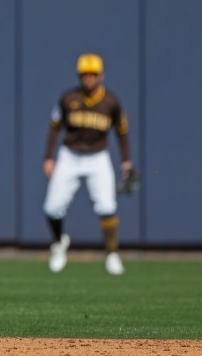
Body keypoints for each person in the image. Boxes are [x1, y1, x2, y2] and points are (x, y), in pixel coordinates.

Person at [42, 53, 132, 275]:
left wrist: (126, 160)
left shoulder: (111, 102)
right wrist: (48, 156)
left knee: (107, 206)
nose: (89, 79)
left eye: (93, 74)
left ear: (102, 75)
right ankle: (59, 242)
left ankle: (111, 254)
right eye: (85, 75)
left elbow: (122, 131)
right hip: (69, 156)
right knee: (52, 208)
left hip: (98, 157)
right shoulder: (68, 98)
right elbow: (54, 126)